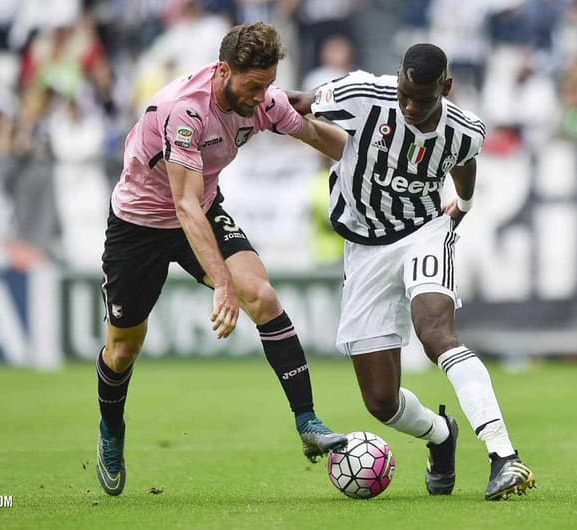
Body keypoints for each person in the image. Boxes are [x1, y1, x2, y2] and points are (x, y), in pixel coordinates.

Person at [94, 21, 349, 497]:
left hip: (203, 209)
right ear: (224, 70)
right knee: (124, 347)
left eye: (269, 84)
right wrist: (222, 284)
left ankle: (307, 420)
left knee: (263, 296)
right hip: (141, 225)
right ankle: (111, 429)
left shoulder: (262, 100)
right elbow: (183, 206)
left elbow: (317, 136)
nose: (263, 96)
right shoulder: (183, 112)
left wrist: (369, 158)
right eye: (255, 86)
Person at [287, 43, 536, 501]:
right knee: (381, 401)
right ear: (397, 77)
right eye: (404, 94)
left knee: (436, 333)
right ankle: (441, 434)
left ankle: (504, 456)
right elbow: (297, 103)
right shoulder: (363, 93)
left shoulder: (464, 129)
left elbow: (464, 161)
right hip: (364, 249)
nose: (409, 107)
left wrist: (462, 205)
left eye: (421, 100)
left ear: (447, 86)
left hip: (424, 230)